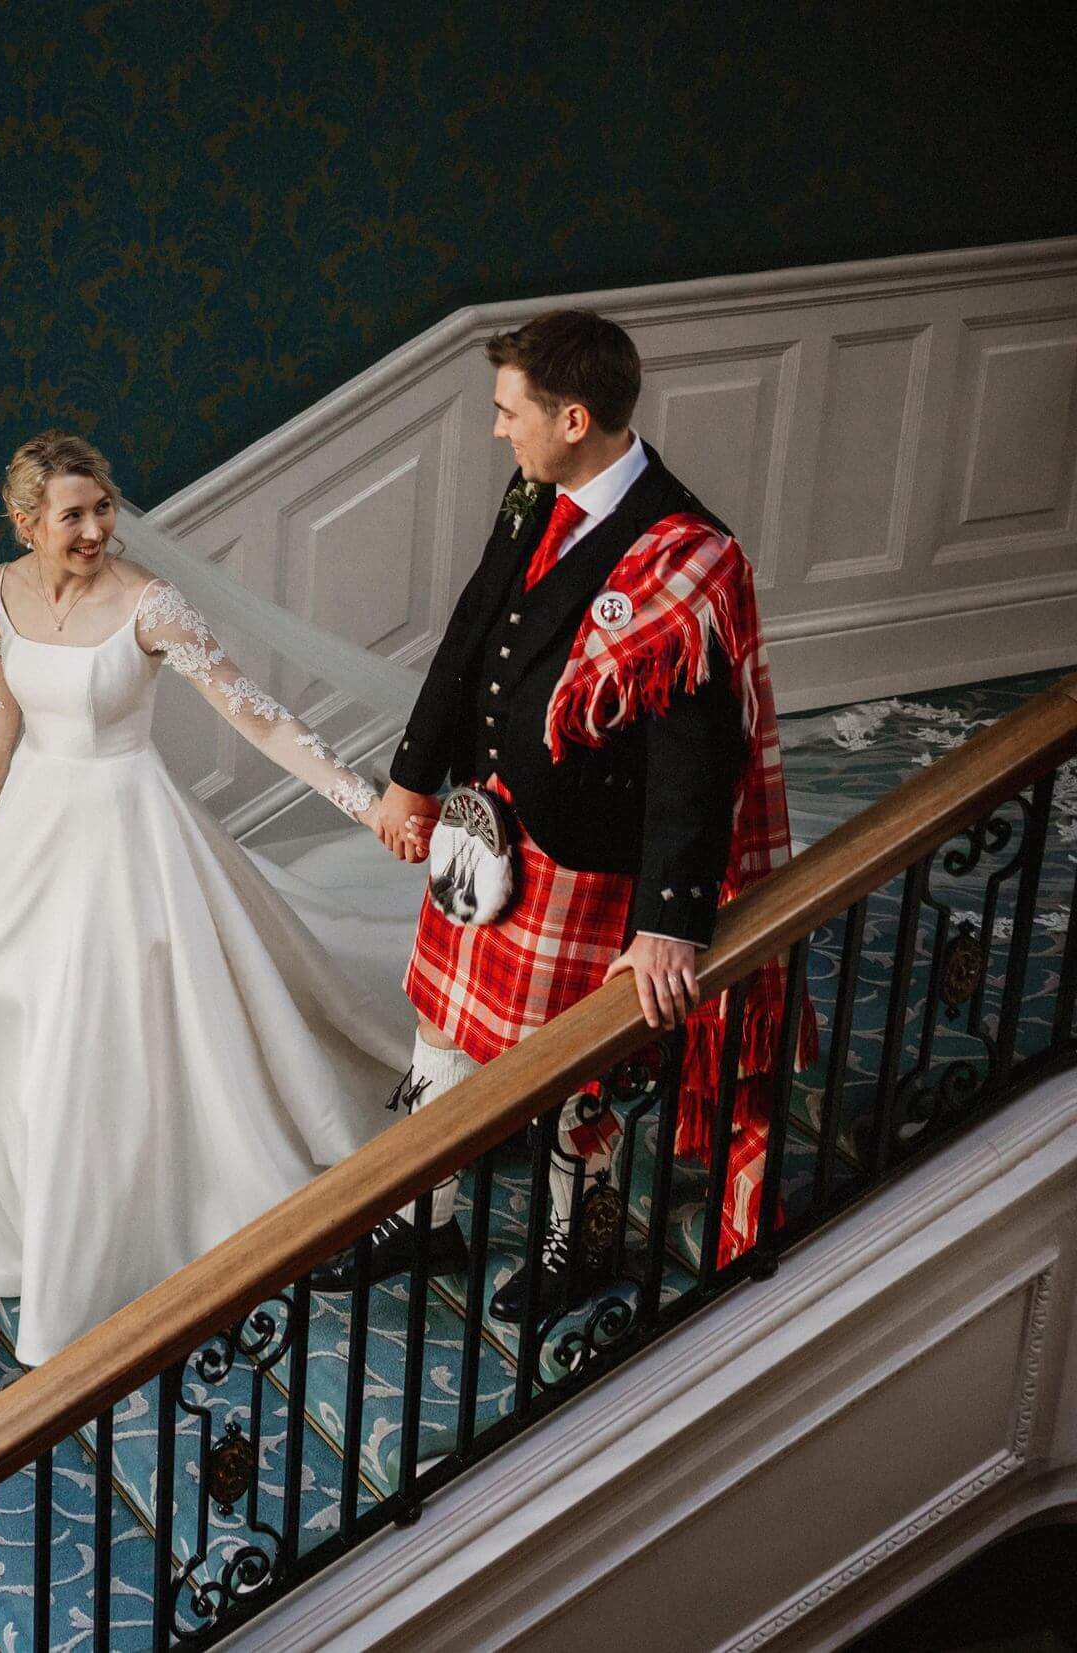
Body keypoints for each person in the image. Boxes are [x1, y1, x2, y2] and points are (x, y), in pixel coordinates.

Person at [331, 309, 807, 1322]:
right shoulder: (536, 489)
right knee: (440, 1030)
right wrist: (413, 777)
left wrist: (669, 920)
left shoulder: (687, 556)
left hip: (585, 855)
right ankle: (426, 1216)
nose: (497, 430)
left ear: (573, 417)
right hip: (484, 823)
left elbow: (696, 761)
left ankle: (577, 1243)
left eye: (509, 412)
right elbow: (474, 628)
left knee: (569, 1069)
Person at [0, 430, 416, 1367]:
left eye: (104, 506)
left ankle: (105, 1243)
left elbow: (257, 716)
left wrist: (364, 799)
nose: (98, 528)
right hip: (32, 828)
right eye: (74, 514)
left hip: (124, 831)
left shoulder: (151, 605)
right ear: (27, 524)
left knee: (84, 1034)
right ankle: (6, 1223)